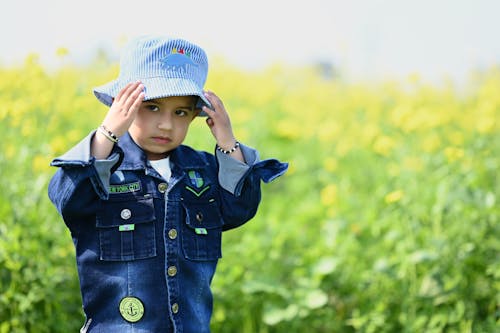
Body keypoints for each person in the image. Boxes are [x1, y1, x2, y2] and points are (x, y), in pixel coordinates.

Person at [48, 35, 288, 333]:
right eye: (152, 108)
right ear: (123, 106)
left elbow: (239, 209)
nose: (166, 125)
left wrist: (227, 142)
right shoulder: (104, 169)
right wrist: (107, 134)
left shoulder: (202, 171)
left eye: (181, 112)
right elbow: (68, 199)